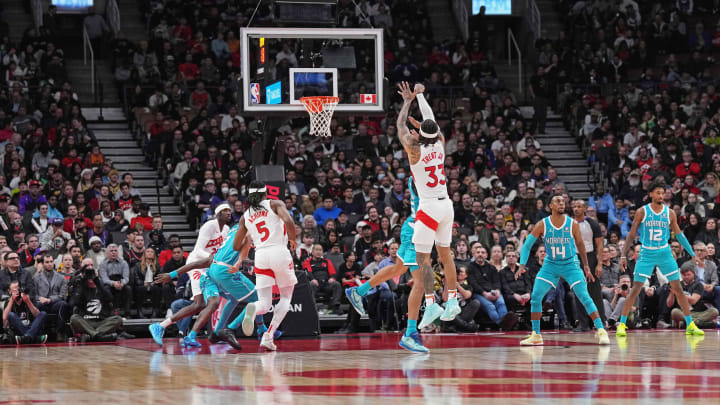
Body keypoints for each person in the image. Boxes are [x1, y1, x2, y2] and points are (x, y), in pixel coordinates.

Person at [397, 82, 460, 329]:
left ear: (418, 135)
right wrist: (421, 96)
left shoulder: (414, 150)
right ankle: (453, 300)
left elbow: (401, 125)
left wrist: (407, 101)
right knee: (446, 257)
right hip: (447, 206)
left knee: (423, 259)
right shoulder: (440, 143)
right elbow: (430, 120)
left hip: (428, 208)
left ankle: (432, 303)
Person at [346, 176, 431, 352]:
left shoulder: (429, 175)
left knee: (398, 269)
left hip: (418, 229)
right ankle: (410, 334)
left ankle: (358, 291)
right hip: (415, 230)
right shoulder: (420, 175)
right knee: (420, 283)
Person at [616, 179, 705, 337]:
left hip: (664, 252)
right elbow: (631, 234)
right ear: (650, 194)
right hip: (646, 252)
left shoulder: (670, 213)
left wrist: (692, 254)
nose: (661, 195)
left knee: (677, 287)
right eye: (658, 192)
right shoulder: (642, 211)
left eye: (663, 193)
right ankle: (622, 324)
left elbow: (679, 235)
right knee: (636, 288)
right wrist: (623, 254)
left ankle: (690, 324)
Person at [518, 194, 610, 345]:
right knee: (535, 297)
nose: (561, 203)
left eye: (563, 201)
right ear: (550, 206)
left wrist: (586, 265)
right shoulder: (542, 224)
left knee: (584, 296)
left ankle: (601, 330)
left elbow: (580, 244)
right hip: (550, 264)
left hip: (570, 264)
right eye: (557, 201)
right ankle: (536, 335)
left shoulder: (572, 223)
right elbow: (527, 245)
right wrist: (522, 264)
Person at [148, 204, 232, 346]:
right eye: (225, 210)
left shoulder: (227, 230)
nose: (229, 212)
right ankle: (185, 334)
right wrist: (214, 260)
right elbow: (198, 250)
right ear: (217, 214)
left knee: (199, 305)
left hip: (210, 265)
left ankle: (163, 327)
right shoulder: (209, 226)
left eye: (230, 210)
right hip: (197, 263)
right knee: (205, 303)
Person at [229, 181, 298, 350]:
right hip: (279, 251)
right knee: (286, 297)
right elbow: (289, 221)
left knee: (264, 304)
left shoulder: (245, 216)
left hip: (260, 255)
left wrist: (247, 237)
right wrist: (293, 239)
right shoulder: (274, 203)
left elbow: (236, 246)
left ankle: (253, 308)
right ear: (265, 193)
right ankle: (268, 335)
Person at [69, 263, 124, 342]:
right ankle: (99, 336)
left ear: (96, 273)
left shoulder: (102, 286)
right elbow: (75, 302)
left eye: (92, 272)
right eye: (87, 273)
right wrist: (82, 282)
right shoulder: (80, 287)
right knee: (73, 318)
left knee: (118, 319)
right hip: (86, 322)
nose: (90, 275)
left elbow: (110, 298)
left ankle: (92, 335)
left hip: (101, 322)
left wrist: (97, 281)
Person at [33, 254, 70, 340]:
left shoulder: (62, 278)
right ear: (42, 264)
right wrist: (40, 298)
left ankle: (59, 332)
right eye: (47, 262)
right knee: (37, 305)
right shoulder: (36, 278)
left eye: (51, 262)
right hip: (41, 303)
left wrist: (50, 299)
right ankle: (40, 332)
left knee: (63, 304)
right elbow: (33, 295)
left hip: (55, 304)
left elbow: (63, 296)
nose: (50, 264)